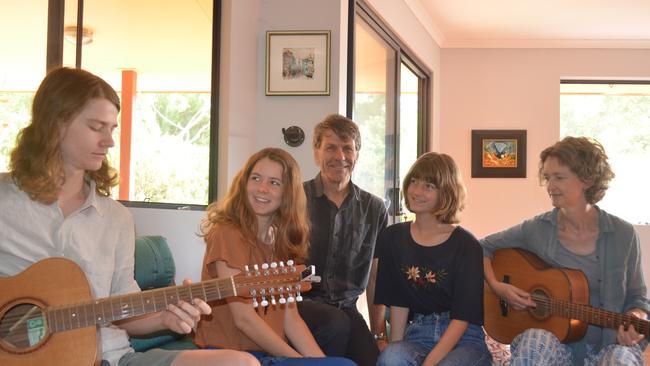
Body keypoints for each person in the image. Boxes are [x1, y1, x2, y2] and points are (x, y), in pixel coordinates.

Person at [0, 67, 258, 366]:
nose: (109, 141)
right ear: (55, 125)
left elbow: (126, 316)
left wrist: (166, 317)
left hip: (110, 357)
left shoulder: (116, 218)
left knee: (241, 364)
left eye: (112, 128)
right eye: (96, 127)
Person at [481, 136, 650, 366]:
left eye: (559, 177)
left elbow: (638, 297)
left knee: (619, 360)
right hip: (557, 346)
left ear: (588, 179)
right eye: (548, 177)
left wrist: (637, 317)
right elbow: (482, 246)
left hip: (610, 346)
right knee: (532, 342)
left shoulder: (623, 234)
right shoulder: (536, 229)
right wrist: (497, 286)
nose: (550, 186)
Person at [194, 147, 355, 366]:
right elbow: (244, 319)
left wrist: (319, 362)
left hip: (267, 354)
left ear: (287, 194)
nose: (262, 189)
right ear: (244, 183)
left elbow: (290, 318)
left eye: (274, 183)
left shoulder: (281, 239)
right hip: (231, 354)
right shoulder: (227, 232)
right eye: (256, 178)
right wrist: (301, 361)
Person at [374, 152, 492, 366]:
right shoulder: (393, 237)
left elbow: (462, 319)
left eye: (428, 186)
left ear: (446, 192)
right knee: (391, 358)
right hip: (418, 333)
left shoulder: (467, 245)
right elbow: (399, 302)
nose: (417, 191)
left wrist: (428, 364)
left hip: (464, 339)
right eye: (414, 182)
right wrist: (394, 350)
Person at [297, 114, 389, 366]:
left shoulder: (375, 208)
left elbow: (375, 275)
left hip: (347, 309)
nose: (340, 156)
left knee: (372, 360)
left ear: (357, 154)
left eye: (347, 148)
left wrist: (379, 333)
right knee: (334, 326)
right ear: (317, 153)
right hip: (300, 306)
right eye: (330, 147)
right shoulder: (295, 199)